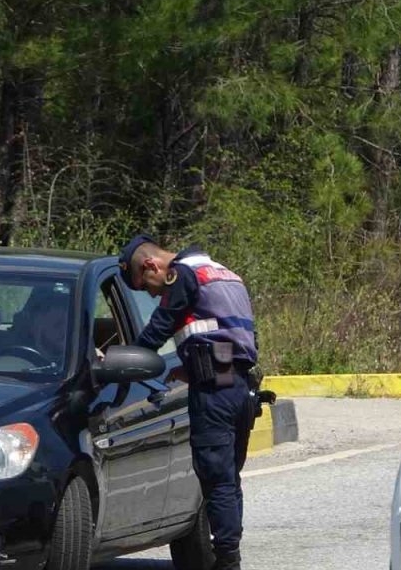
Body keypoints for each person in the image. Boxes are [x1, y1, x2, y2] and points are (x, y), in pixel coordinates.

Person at [115, 234, 258, 570]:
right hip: (237, 385)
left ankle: (227, 563)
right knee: (228, 479)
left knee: (216, 479)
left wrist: (123, 359)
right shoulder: (221, 272)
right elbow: (232, 335)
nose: (152, 293)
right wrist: (194, 368)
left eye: (146, 285)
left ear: (151, 265)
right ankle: (229, 555)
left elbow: (160, 327)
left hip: (216, 395)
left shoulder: (183, 275)